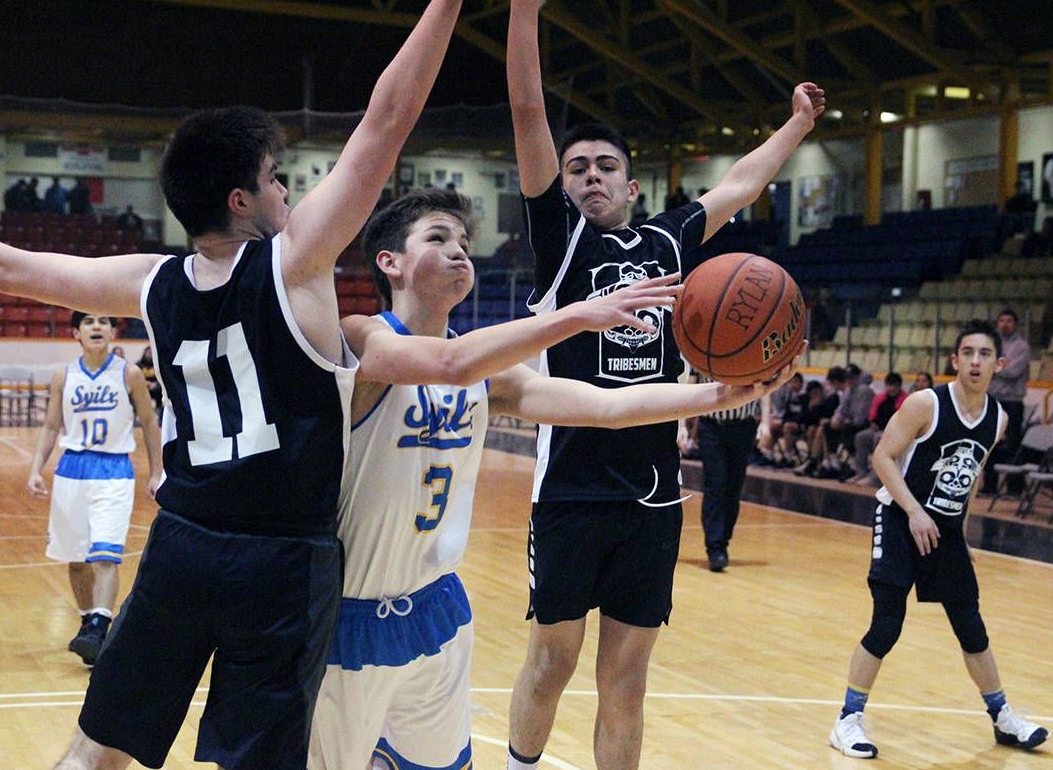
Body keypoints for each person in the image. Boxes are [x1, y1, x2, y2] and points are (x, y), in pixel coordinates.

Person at [0, 2, 468, 766]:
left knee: (99, 746)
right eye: (275, 178)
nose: (288, 192)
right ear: (240, 199)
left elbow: (2, 265)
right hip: (284, 561)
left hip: (183, 545)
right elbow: (386, 120)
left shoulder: (152, 283)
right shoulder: (295, 262)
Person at [308, 187, 797, 770]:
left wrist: (721, 393)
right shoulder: (361, 337)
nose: (460, 250)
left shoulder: (487, 369)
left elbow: (606, 406)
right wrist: (577, 316)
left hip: (436, 606)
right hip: (352, 612)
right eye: (438, 239)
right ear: (389, 262)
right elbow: (448, 365)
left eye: (465, 241)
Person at [506, 1, 825, 766]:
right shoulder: (562, 242)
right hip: (572, 489)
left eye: (603, 166)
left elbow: (742, 183)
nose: (587, 176)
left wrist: (798, 126)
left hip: (650, 493)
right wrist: (524, 14)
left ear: (632, 184)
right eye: (576, 167)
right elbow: (526, 110)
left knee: (627, 677)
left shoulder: (667, 239)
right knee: (553, 661)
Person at [828, 319, 1048, 759]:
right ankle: (848, 719)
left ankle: (1002, 716)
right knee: (887, 623)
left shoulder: (997, 419)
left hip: (943, 529)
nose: (975, 361)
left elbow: (970, 476)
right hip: (897, 517)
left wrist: (960, 535)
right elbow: (882, 457)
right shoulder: (926, 403)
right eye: (967, 353)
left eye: (984, 354)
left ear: (999, 364)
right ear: (954, 360)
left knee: (971, 625)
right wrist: (913, 511)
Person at [26, 313, 161, 666]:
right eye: (88, 322)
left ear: (113, 331)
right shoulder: (64, 375)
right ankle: (88, 622)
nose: (97, 327)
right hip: (72, 468)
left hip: (114, 469)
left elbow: (149, 422)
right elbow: (51, 425)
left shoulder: (128, 373)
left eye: (103, 321)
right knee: (76, 561)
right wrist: (35, 470)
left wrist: (157, 472)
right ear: (76, 334)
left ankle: (100, 625)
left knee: (105, 554)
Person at [688, 383, 771, 571]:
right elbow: (690, 383)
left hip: (743, 426)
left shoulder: (750, 354)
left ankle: (723, 541)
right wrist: (682, 425)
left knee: (734, 487)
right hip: (711, 426)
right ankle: (714, 547)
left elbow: (764, 383)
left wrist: (765, 421)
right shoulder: (703, 355)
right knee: (715, 485)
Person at [982, 309, 1030, 496]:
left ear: (1015, 324)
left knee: (1012, 444)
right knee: (990, 443)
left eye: (1009, 321)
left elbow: (1013, 372)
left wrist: (992, 366)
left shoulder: (1022, 346)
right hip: (992, 399)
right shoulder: (991, 343)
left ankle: (1015, 488)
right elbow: (984, 366)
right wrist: (999, 365)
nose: (1005, 324)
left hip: (1012, 401)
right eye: (1001, 320)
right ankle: (990, 486)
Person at [845, 371, 907, 487]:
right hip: (878, 429)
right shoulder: (880, 398)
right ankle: (860, 471)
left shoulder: (904, 400)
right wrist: (874, 423)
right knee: (861, 437)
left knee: (879, 439)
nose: (891, 389)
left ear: (899, 387)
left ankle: (875, 476)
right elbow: (872, 416)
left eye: (894, 386)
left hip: (895, 432)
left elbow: (899, 420)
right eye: (889, 385)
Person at [136, 344, 162, 420]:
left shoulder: (158, 364)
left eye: (151, 353)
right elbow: (135, 379)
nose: (150, 354)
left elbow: (163, 377)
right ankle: (139, 414)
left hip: (156, 387)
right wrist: (146, 383)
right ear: (144, 353)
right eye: (148, 352)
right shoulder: (138, 365)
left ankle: (158, 412)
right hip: (143, 386)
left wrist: (156, 384)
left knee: (161, 390)